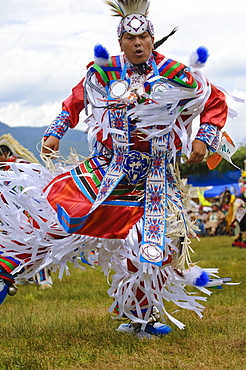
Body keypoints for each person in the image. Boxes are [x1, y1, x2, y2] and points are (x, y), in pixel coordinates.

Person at [0, 0, 238, 337]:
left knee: (153, 248)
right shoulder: (103, 72)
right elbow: (76, 100)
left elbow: (213, 98)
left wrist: (204, 137)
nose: (138, 44)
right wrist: (55, 131)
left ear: (153, 40)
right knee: (55, 215)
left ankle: (140, 317)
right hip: (106, 168)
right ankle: (5, 267)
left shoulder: (174, 72)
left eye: (143, 38)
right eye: (130, 38)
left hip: (155, 178)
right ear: (121, 41)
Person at [0, 134, 53, 289]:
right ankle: (20, 276)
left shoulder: (22, 166)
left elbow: (36, 186)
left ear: (5, 154)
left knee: (36, 243)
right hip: (9, 216)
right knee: (11, 245)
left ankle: (43, 278)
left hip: (29, 212)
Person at [231, 171, 246, 247]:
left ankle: (239, 240)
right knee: (243, 226)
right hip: (242, 210)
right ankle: (241, 240)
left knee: (243, 227)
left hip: (241, 209)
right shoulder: (243, 190)